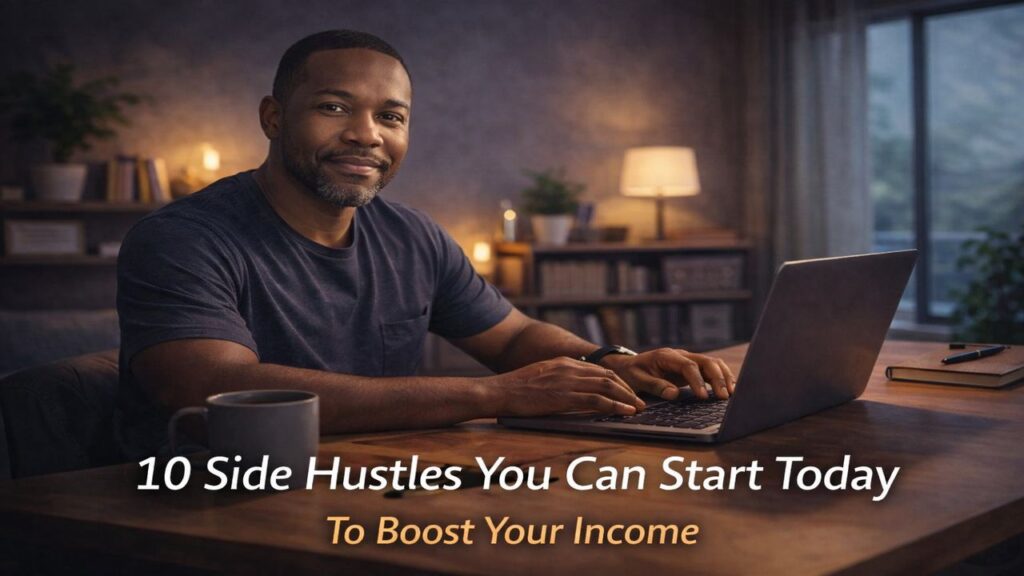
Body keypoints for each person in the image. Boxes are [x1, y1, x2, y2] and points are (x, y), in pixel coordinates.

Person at [115, 30, 735, 458]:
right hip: (213, 507)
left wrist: (611, 363)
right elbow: (210, 389)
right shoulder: (181, 240)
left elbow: (513, 337)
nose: (366, 136)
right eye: (335, 107)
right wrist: (492, 395)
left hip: (379, 480)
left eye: (391, 116)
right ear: (274, 118)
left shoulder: (412, 234)